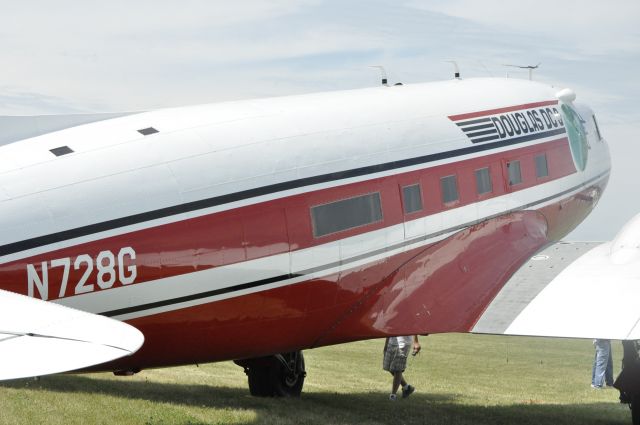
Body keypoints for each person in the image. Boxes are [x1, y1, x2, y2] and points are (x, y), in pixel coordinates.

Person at [383, 335, 421, 401]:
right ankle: (407, 388)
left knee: (397, 369)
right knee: (389, 368)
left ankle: (393, 396)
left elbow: (413, 325)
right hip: (391, 342)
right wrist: (386, 344)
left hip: (403, 343)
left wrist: (416, 342)